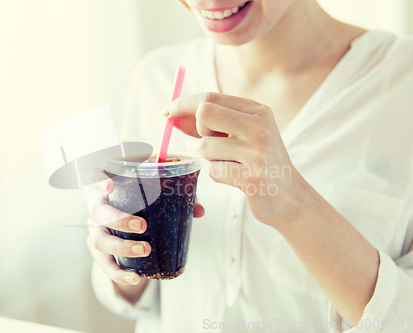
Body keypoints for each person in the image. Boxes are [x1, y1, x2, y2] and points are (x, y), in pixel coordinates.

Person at [87, 0, 413, 332]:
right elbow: (143, 296)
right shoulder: (156, 76)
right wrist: (122, 253)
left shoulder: (403, 84)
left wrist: (296, 205)